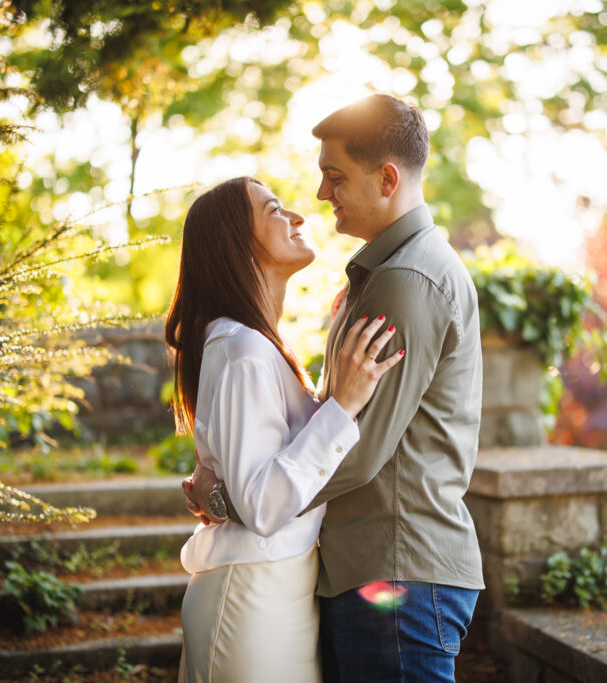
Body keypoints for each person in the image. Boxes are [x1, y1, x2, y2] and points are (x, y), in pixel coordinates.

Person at [185, 94, 485, 682]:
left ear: (388, 178)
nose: (321, 196)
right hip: (375, 567)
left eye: (335, 177)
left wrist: (233, 500)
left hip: (396, 568)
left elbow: (355, 449)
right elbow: (328, 429)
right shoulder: (379, 280)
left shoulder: (404, 282)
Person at [165, 176, 404, 683]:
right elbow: (265, 504)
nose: (297, 215)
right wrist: (341, 407)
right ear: (237, 244)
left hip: (279, 585)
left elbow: (257, 477)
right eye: (275, 209)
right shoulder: (241, 349)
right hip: (251, 596)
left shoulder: (255, 346)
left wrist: (220, 496)